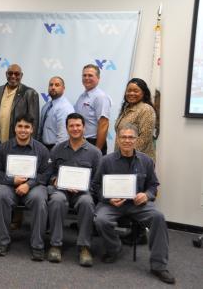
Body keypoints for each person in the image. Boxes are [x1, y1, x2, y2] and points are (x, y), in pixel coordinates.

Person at [93, 123, 175, 284]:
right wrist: (108, 198)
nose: (127, 141)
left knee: (158, 217)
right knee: (100, 220)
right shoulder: (106, 161)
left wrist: (147, 195)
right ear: (118, 139)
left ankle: (159, 265)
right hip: (112, 204)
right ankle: (114, 247)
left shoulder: (146, 161)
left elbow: (153, 185)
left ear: (137, 140)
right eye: (123, 137)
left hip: (138, 205)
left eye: (131, 137)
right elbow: (95, 185)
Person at [0, 114, 52, 261]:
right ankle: (2, 241)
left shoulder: (41, 149)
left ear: (32, 129)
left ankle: (37, 245)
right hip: (9, 185)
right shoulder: (3, 147)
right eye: (20, 126)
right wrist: (12, 181)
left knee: (39, 199)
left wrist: (28, 184)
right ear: (15, 128)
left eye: (27, 127)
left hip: (34, 186)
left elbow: (46, 173)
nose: (23, 130)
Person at [47, 113, 102, 267]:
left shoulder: (95, 152)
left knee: (87, 202)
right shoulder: (57, 149)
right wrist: (55, 180)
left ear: (84, 127)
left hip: (83, 192)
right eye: (71, 125)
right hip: (61, 190)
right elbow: (49, 173)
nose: (75, 128)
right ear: (67, 128)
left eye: (78, 125)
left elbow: (97, 181)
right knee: (56, 200)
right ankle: (55, 244)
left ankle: (84, 247)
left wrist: (83, 187)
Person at [0, 64, 40, 142]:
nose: (13, 76)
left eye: (17, 74)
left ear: (21, 75)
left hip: (18, 143)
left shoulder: (30, 93)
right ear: (6, 74)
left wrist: (31, 146)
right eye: (10, 73)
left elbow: (34, 123)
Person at [114, 78, 156, 161]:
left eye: (136, 91)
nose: (131, 93)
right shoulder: (126, 108)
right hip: (122, 157)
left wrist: (126, 156)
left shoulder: (146, 109)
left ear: (143, 93)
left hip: (137, 160)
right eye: (129, 90)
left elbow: (144, 139)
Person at [74, 64, 111, 155]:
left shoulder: (100, 97)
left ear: (98, 78)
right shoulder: (82, 96)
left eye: (90, 75)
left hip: (93, 143)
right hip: (80, 142)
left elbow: (104, 124)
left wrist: (97, 150)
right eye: (84, 75)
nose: (87, 78)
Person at [38, 76, 74, 150]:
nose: (53, 87)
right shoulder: (46, 106)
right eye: (51, 85)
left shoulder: (65, 107)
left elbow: (63, 136)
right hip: (43, 147)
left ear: (63, 88)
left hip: (56, 148)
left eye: (57, 85)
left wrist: (55, 154)